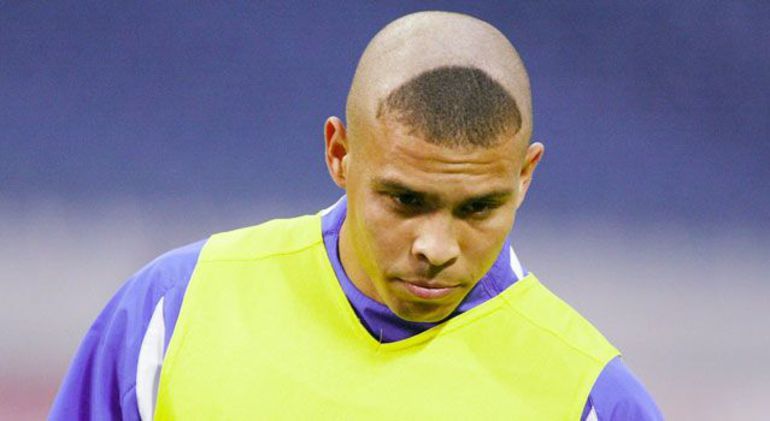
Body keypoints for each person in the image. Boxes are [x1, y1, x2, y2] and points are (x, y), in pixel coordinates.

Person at [50, 11, 663, 420]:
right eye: (406, 200)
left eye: (478, 208)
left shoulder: (588, 398)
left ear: (524, 176)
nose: (436, 247)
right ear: (340, 154)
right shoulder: (173, 310)